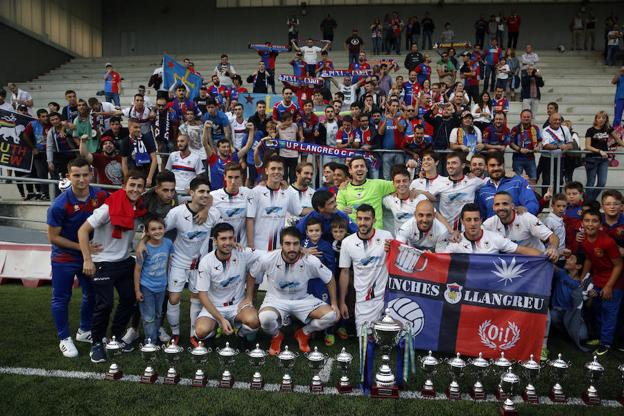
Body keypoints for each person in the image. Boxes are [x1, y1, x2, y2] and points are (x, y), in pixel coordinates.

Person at [78, 170, 147, 362]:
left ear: (143, 189)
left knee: (130, 299)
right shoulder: (109, 208)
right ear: (124, 186)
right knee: (105, 304)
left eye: (139, 186)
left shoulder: (140, 207)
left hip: (124, 261)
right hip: (102, 263)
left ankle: (115, 337)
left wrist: (143, 241)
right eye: (131, 185)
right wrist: (87, 259)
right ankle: (97, 343)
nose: (135, 189)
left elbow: (153, 224)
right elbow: (82, 231)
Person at [47, 158, 108, 357]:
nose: (81, 179)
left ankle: (84, 330)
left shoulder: (100, 195)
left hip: (89, 255)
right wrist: (84, 249)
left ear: (91, 174)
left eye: (85, 174)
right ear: (68, 177)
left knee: (92, 294)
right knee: (61, 298)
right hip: (65, 257)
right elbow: (53, 237)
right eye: (76, 175)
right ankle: (64, 338)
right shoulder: (59, 205)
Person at [253, 227, 338, 354]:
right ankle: (276, 336)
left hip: (302, 299)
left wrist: (335, 304)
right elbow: (252, 274)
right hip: (276, 300)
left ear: (300, 244)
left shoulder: (310, 260)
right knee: (265, 318)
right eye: (287, 244)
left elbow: (330, 278)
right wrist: (249, 298)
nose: (292, 248)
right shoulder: (268, 258)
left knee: (332, 316)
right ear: (281, 245)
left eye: (295, 244)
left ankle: (303, 333)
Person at [160, 176, 220, 347]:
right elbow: (160, 230)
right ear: (191, 192)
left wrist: (207, 209)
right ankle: (176, 333)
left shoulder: (213, 214)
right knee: (174, 298)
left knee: (197, 298)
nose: (205, 195)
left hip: (200, 264)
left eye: (207, 192)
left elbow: (221, 232)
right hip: (179, 261)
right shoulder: (177, 213)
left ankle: (194, 334)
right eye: (201, 191)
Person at [195, 222, 261, 348]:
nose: (228, 242)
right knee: (201, 331)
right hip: (215, 306)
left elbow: (265, 258)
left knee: (254, 321)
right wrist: (220, 319)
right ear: (215, 241)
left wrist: (249, 297)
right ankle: (213, 334)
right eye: (223, 239)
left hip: (237, 304)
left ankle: (242, 335)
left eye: (231, 238)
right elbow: (202, 295)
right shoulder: (206, 262)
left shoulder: (242, 252)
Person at [338, 204, 393, 336]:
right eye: (360, 219)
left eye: (367, 219)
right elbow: (344, 272)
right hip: (364, 299)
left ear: (374, 220)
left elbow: (399, 259)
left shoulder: (387, 237)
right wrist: (342, 302)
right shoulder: (347, 242)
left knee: (392, 337)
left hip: (386, 297)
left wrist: (392, 250)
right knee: (364, 340)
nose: (363, 223)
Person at [580, 209, 623, 355]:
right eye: (587, 221)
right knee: (596, 309)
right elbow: (588, 259)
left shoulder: (607, 242)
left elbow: (619, 265)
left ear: (600, 224)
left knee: (608, 312)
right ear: (582, 223)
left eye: (594, 221)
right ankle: (600, 337)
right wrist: (582, 278)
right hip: (597, 280)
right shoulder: (585, 239)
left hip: (614, 282)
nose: (590, 224)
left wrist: (609, 286)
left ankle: (606, 344)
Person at [246, 154, 308, 250]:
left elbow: (299, 211)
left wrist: (320, 208)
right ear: (266, 171)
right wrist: (250, 247)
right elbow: (249, 220)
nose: (276, 172)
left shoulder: (287, 192)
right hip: (258, 248)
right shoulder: (255, 192)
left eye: (279, 169)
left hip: (278, 249)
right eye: (273, 168)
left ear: (283, 171)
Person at [483, 191, 559, 260]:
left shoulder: (526, 217)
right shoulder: (489, 223)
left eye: (505, 204)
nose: (501, 207)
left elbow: (552, 236)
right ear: (493, 207)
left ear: (512, 206)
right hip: (511, 265)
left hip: (536, 262)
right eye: (497, 204)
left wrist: (553, 248)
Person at [444, 203, 542, 256]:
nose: (473, 223)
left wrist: (545, 258)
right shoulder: (456, 242)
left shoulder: (495, 238)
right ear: (463, 221)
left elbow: (521, 249)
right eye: (468, 220)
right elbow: (440, 260)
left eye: (476, 219)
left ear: (481, 220)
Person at [133, 216, 173, 344]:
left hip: (161, 286)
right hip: (147, 287)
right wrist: (137, 290)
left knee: (158, 314)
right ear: (148, 232)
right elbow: (137, 270)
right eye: (153, 229)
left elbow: (168, 263)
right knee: (149, 317)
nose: (157, 231)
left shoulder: (168, 243)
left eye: (160, 228)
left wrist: (168, 284)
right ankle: (150, 343)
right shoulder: (143, 248)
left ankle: (154, 337)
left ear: (165, 229)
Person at [336, 156, 396, 229]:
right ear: (350, 171)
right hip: (354, 233)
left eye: (362, 166)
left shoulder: (377, 185)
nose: (359, 169)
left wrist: (411, 169)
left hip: (376, 233)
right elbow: (338, 212)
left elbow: (400, 184)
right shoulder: (343, 189)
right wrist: (343, 211)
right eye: (356, 167)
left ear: (367, 169)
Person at [476, 152, 539, 219]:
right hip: (493, 229)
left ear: (503, 165)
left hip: (517, 227)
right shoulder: (482, 191)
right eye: (492, 165)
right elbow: (482, 217)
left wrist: (525, 210)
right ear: (486, 167)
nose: (496, 168)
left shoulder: (517, 182)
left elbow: (533, 204)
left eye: (499, 165)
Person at [585, 111, 623, 201]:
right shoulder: (590, 130)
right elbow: (587, 146)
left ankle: (590, 201)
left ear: (606, 119)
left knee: (602, 182)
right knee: (590, 183)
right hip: (592, 159)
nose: (601, 119)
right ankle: (588, 203)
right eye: (599, 118)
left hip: (603, 159)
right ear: (596, 119)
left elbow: (617, 139)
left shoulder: (608, 129)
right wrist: (599, 151)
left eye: (603, 118)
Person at [119, 118, 158, 187]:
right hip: (134, 173)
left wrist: (150, 178)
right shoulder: (124, 142)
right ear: (129, 127)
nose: (138, 129)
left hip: (148, 172)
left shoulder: (147, 138)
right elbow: (124, 163)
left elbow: (154, 159)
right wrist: (127, 178)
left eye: (139, 127)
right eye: (135, 127)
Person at [540, 113, 573, 189]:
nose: (557, 121)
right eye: (555, 120)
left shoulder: (565, 129)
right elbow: (546, 145)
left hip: (560, 159)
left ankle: (557, 198)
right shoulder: (545, 130)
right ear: (550, 121)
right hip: (547, 159)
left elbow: (571, 144)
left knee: (560, 181)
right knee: (547, 181)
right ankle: (546, 199)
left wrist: (567, 147)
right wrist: (559, 146)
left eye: (559, 120)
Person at [509, 109, 541, 185]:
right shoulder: (515, 129)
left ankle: (531, 196)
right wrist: (519, 149)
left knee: (532, 179)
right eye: (524, 117)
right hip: (518, 158)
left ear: (531, 117)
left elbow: (540, 140)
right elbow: (511, 143)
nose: (526, 118)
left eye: (528, 117)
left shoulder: (535, 128)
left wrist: (538, 147)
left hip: (530, 158)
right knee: (517, 180)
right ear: (521, 117)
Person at [46, 112, 77, 183]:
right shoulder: (51, 132)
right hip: (61, 158)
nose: (55, 121)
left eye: (56, 119)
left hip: (73, 156)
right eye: (52, 120)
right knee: (65, 178)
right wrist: (50, 162)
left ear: (60, 119)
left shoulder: (67, 126)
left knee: (75, 175)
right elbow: (49, 147)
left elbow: (74, 127)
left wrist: (64, 126)